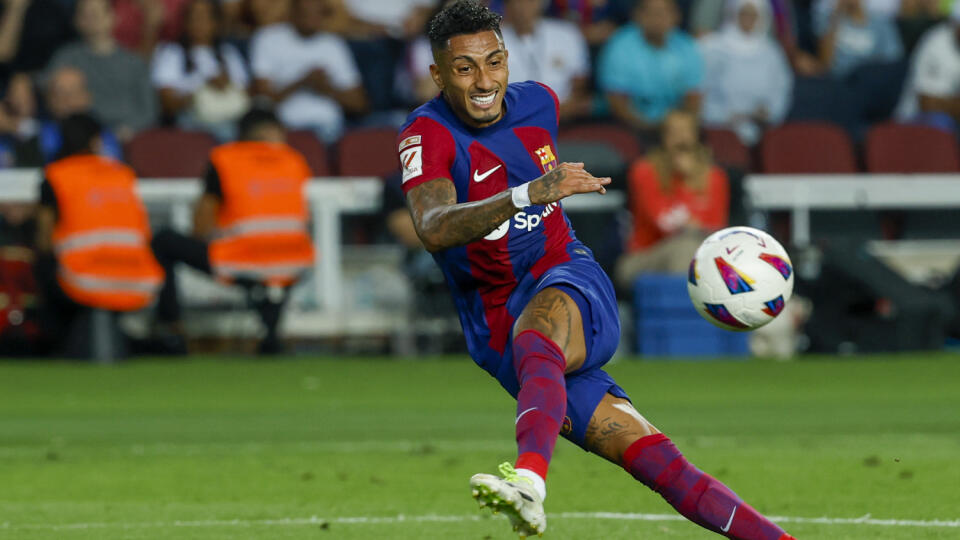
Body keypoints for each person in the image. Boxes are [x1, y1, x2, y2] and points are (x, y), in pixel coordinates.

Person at [397, 2, 797, 539]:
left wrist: (534, 201)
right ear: (438, 74)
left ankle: (530, 482)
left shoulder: (539, 103)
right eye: (465, 68)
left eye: (494, 62)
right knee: (659, 465)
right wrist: (526, 194)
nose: (484, 80)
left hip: (566, 276)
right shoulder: (425, 134)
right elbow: (434, 226)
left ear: (507, 58)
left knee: (537, 330)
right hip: (493, 324)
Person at [150, 108, 314, 354]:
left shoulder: (226, 159)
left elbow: (202, 224)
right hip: (295, 261)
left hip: (242, 258)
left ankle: (170, 330)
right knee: (272, 267)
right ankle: (270, 334)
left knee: (164, 241)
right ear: (275, 131)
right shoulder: (295, 160)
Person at [33, 113, 164, 358]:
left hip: (81, 281)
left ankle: (52, 343)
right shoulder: (122, 173)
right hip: (138, 277)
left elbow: (44, 238)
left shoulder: (56, 175)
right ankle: (167, 331)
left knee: (42, 263)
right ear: (95, 141)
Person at [614, 110, 730, 291]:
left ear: (696, 137)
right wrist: (685, 181)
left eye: (686, 132)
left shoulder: (715, 176)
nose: (680, 139)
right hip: (643, 257)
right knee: (685, 249)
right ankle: (683, 317)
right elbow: (663, 223)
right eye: (673, 132)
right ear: (663, 137)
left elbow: (716, 229)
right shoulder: (644, 171)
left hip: (699, 254)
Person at [249, 0, 369, 142]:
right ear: (292, 13)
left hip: (331, 129)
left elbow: (360, 104)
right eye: (306, 13)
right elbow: (263, 101)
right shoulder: (268, 38)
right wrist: (302, 81)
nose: (313, 19)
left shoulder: (333, 44)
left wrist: (326, 89)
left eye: (318, 14)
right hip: (285, 128)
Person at [46, 0, 158, 142]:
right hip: (78, 136)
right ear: (76, 20)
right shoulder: (65, 58)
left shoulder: (135, 62)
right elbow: (49, 94)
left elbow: (149, 111)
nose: (92, 19)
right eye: (85, 14)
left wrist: (130, 129)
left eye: (96, 13)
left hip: (130, 138)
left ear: (113, 17)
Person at [596, 0, 703, 133]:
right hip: (630, 128)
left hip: (674, 129)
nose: (658, 18)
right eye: (651, 12)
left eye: (664, 12)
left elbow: (693, 99)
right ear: (637, 15)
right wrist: (649, 128)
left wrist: (677, 126)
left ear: (677, 16)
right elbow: (616, 101)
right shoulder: (620, 45)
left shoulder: (687, 46)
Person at [151, 0, 251, 140]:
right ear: (185, 22)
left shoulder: (228, 54)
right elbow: (167, 103)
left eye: (205, 17)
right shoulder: (172, 53)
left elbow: (245, 95)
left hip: (229, 116)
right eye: (194, 17)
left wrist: (225, 83)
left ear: (216, 23)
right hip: (190, 120)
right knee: (225, 132)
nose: (199, 22)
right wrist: (201, 92)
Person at [700, 0, 793, 145]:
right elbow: (700, 92)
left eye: (754, 15)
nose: (748, 20)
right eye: (744, 14)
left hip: (761, 131)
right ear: (732, 13)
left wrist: (768, 112)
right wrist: (725, 116)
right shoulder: (712, 47)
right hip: (718, 130)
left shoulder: (772, 52)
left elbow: (781, 91)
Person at [500, 0, 592, 121]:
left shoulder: (566, 33)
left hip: (564, 117)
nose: (522, 8)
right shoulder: (490, 39)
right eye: (516, 3)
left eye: (528, 2)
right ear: (506, 7)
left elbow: (580, 82)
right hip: (511, 120)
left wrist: (561, 109)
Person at [896, 3, 960, 131]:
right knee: (940, 122)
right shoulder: (936, 43)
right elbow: (927, 103)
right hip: (915, 118)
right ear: (955, 23)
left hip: (952, 116)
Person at [814, 0, 903, 78]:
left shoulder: (882, 23)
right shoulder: (828, 18)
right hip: (837, 82)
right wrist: (836, 17)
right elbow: (825, 63)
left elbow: (893, 63)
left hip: (867, 83)